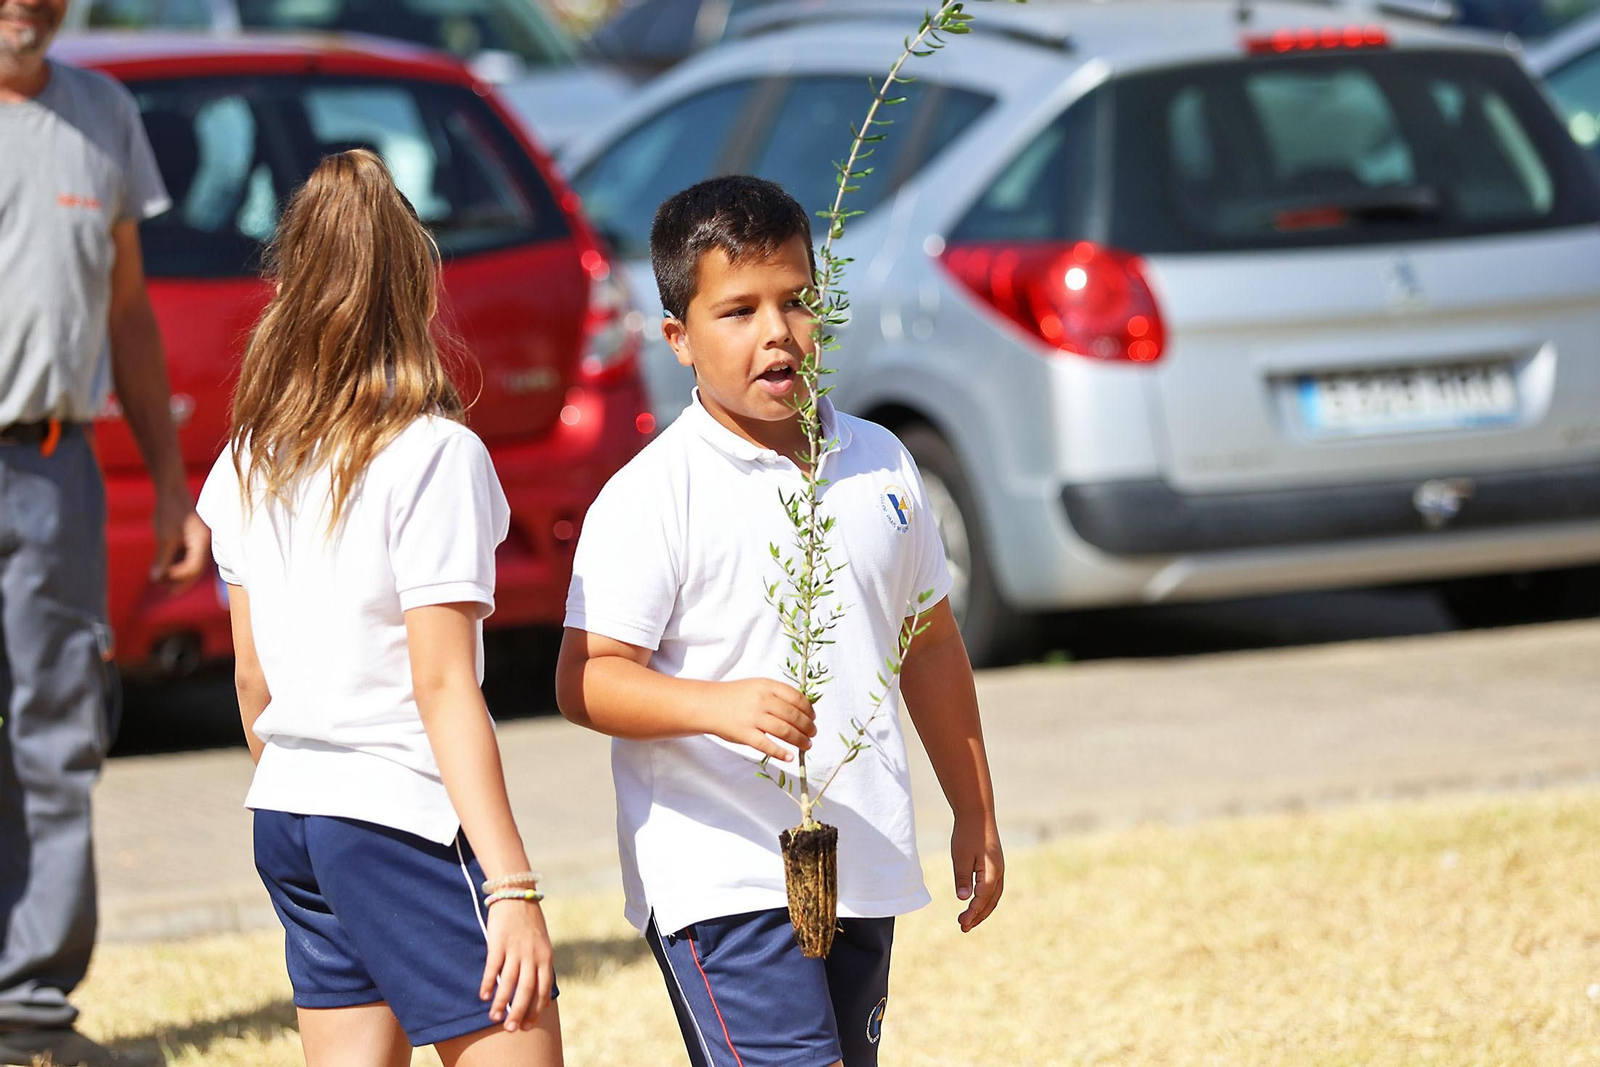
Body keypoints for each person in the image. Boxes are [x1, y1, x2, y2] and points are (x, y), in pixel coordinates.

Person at [555, 175, 1005, 1067]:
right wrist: (713, 706)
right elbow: (586, 676)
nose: (777, 332)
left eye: (796, 300)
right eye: (738, 310)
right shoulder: (652, 495)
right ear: (678, 337)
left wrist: (975, 809)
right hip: (717, 875)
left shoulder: (881, 465)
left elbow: (932, 645)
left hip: (862, 859)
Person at [195, 149, 563, 1067]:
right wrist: (511, 885)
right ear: (418, 285)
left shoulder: (247, 457)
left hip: (289, 813)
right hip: (400, 814)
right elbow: (442, 685)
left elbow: (253, 680)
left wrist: (309, 783)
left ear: (290, 284)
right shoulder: (435, 455)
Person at [0, 1, 209, 1063]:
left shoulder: (101, 114)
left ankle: (30, 1002)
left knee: (56, 726)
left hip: (50, 463)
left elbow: (128, 312)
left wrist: (173, 484)